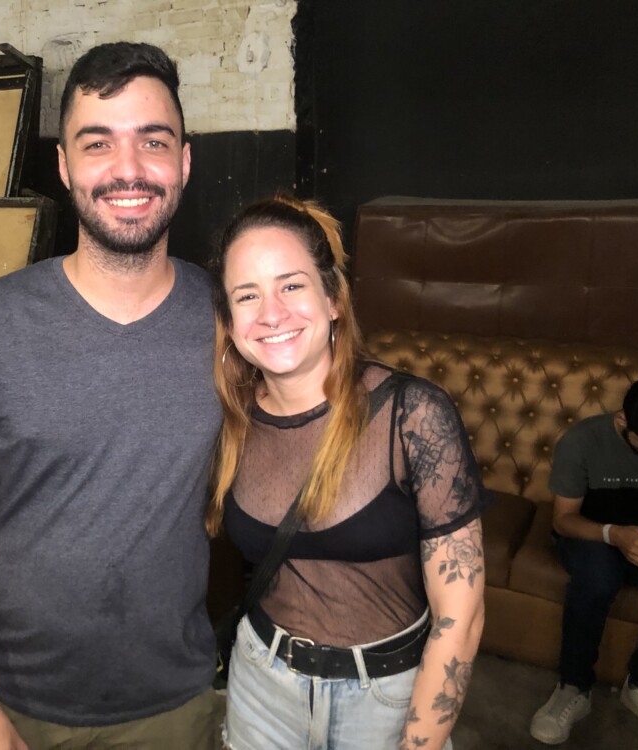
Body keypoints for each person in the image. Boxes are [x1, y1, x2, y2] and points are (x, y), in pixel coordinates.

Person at [0, 42, 224, 750]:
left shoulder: (230, 321)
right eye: (97, 143)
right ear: (63, 166)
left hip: (175, 707)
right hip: (10, 705)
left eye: (153, 141)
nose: (128, 169)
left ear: (184, 162)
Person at [207, 195, 488, 750]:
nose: (271, 313)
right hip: (260, 685)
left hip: (386, 698)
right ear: (230, 321)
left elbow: (462, 614)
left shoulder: (412, 414)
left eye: (292, 285)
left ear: (333, 298)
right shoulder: (230, 420)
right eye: (247, 295)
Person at [529, 375, 638, 749]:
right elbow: (563, 520)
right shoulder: (582, 440)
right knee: (597, 578)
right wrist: (614, 535)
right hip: (592, 532)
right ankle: (574, 687)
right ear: (622, 420)